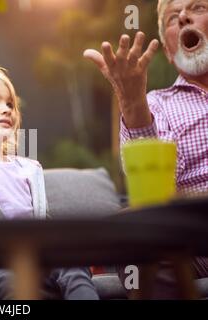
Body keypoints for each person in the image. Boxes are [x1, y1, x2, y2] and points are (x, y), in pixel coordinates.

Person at [0, 67, 99, 300]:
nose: (6, 109)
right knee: (10, 282)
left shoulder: (28, 168)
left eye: (10, 104)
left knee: (74, 267)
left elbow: (42, 219)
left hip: (37, 254)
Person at [84, 0, 208, 299]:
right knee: (139, 226)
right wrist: (133, 103)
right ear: (168, 49)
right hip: (197, 235)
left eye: (198, 7)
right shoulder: (157, 105)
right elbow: (155, 195)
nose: (182, 18)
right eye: (171, 18)